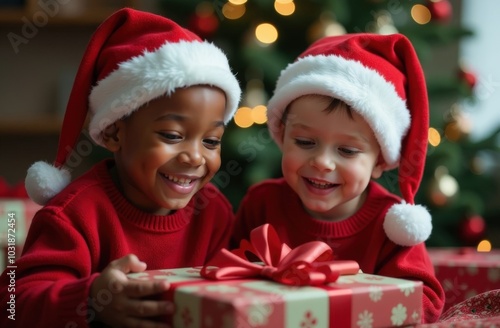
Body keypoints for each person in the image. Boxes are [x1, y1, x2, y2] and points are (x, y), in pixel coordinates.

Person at [0, 8, 241, 328]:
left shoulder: (213, 213)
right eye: (172, 135)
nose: (196, 157)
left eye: (211, 141)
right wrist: (89, 300)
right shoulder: (73, 216)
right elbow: (13, 306)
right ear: (114, 132)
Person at [231, 33, 445, 323]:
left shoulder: (391, 227)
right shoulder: (262, 203)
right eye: (305, 142)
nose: (322, 162)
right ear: (282, 137)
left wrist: (347, 300)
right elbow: (227, 277)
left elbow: (427, 302)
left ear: (380, 161)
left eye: (347, 150)